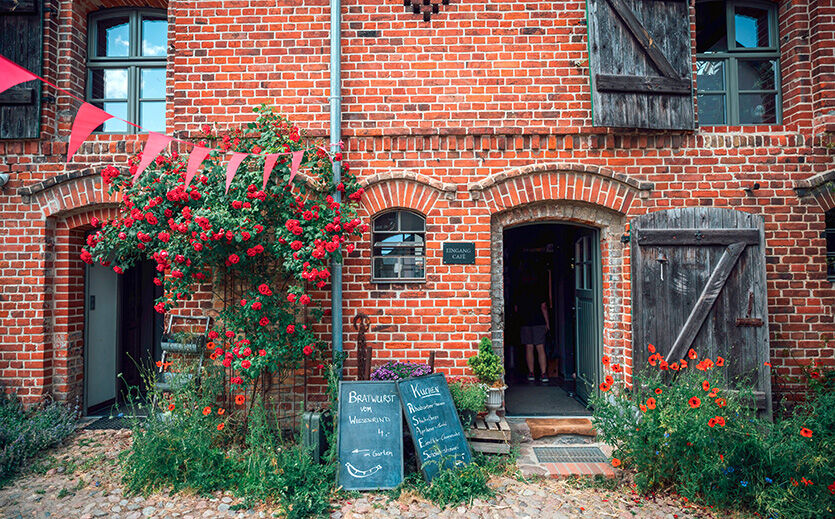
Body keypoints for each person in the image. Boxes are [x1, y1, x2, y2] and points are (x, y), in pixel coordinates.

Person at [517, 269, 551, 383]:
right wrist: (547, 323)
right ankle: (543, 373)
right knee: (540, 347)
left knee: (529, 347)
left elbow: (516, 308)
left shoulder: (520, 289)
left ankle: (531, 373)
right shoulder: (539, 288)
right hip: (539, 321)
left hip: (525, 321)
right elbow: (544, 307)